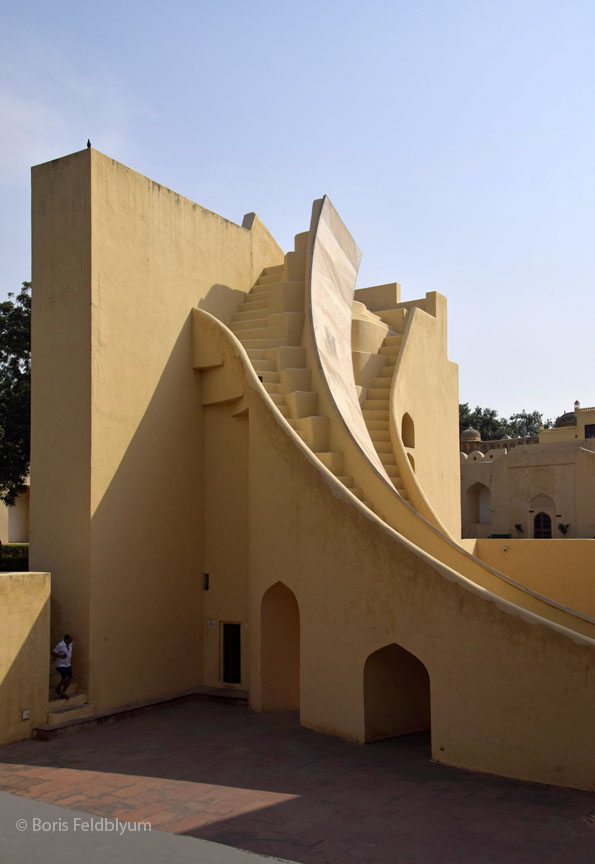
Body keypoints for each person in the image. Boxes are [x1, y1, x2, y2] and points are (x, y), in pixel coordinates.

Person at [51, 634, 73, 699]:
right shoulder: (60, 645)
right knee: (65, 677)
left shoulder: (70, 644)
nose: (71, 641)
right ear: (66, 639)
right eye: (70, 640)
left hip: (68, 664)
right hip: (61, 665)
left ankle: (63, 693)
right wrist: (61, 656)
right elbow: (52, 653)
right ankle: (58, 687)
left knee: (69, 679)